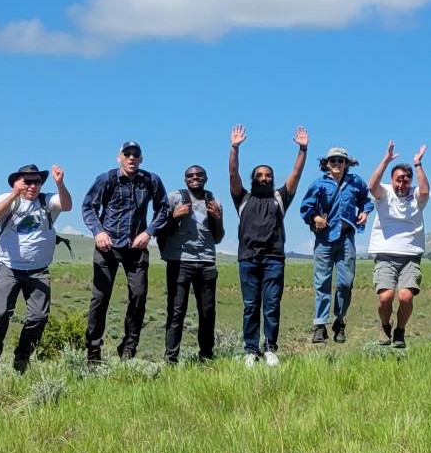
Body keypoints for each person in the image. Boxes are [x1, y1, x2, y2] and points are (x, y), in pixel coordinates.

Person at [81, 142, 169, 365]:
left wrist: (149, 232)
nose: (131, 158)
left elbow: (164, 209)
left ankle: (129, 348)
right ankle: (93, 351)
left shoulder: (151, 181)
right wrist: (98, 232)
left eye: (135, 155)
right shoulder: (106, 179)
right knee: (100, 298)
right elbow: (88, 207)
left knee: (138, 296)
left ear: (141, 159)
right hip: (107, 247)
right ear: (119, 157)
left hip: (136, 249)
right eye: (127, 154)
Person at [228, 125, 306, 368]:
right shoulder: (243, 197)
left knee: (271, 304)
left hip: (274, 259)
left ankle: (270, 348)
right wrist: (234, 148)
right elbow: (233, 174)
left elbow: (296, 174)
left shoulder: (280, 198)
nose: (264, 178)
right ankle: (251, 350)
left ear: (272, 179)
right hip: (248, 258)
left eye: (268, 175)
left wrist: (303, 149)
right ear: (253, 179)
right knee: (251, 306)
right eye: (259, 175)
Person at [0, 164, 70, 375]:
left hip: (38, 270)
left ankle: (22, 356)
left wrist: (59, 183)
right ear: (16, 182)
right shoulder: (6, 199)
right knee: (0, 314)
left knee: (39, 317)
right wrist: (14, 195)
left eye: (37, 181)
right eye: (27, 181)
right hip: (9, 268)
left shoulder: (47, 201)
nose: (32, 186)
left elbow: (66, 206)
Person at [299, 146, 372, 345]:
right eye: (333, 160)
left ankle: (340, 321)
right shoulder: (319, 183)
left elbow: (366, 200)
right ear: (327, 164)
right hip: (324, 238)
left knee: (345, 282)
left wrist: (365, 213)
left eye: (341, 160)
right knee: (322, 282)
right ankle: (320, 325)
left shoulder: (355, 182)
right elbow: (306, 207)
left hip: (347, 237)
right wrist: (315, 217)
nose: (337, 164)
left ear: (347, 163)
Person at [368, 141, 431, 350]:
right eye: (398, 180)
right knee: (386, 296)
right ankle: (385, 326)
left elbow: (425, 191)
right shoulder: (384, 193)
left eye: (406, 179)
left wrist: (418, 164)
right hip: (385, 254)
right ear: (392, 181)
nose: (402, 184)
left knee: (405, 296)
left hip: (410, 255)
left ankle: (400, 331)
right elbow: (371, 186)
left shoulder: (416, 196)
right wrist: (386, 160)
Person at [159, 165, 225, 365]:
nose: (195, 178)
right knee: (176, 311)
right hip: (180, 261)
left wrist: (218, 219)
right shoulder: (173, 199)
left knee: (207, 312)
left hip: (206, 262)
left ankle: (206, 357)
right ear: (184, 179)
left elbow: (218, 238)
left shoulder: (214, 202)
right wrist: (173, 216)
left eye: (199, 175)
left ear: (206, 178)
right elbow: (158, 229)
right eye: (190, 175)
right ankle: (171, 359)